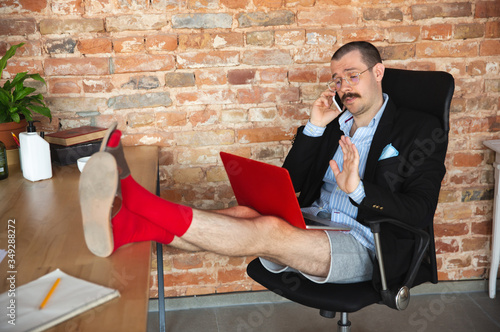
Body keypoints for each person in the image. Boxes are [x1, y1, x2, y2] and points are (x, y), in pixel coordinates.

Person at [79, 41, 447, 287]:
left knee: (268, 228)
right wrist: (315, 128)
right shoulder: (335, 123)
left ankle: (138, 201)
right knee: (242, 213)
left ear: (378, 72)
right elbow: (294, 181)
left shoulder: (419, 128)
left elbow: (418, 212)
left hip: (368, 244)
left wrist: (359, 191)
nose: (344, 87)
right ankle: (130, 227)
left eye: (353, 76)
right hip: (316, 222)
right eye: (337, 80)